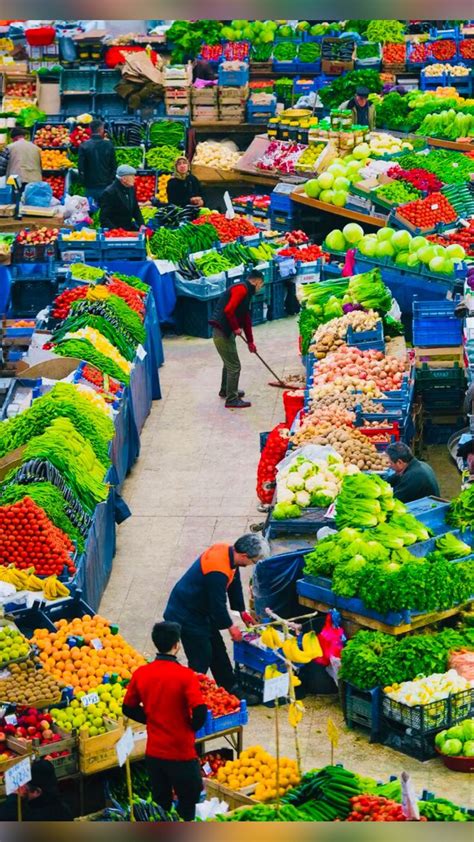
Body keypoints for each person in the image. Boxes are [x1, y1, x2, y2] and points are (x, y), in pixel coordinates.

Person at [164, 534, 270, 701]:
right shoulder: (217, 570)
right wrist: (231, 627)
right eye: (253, 561)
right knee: (201, 656)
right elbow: (217, 604)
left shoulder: (228, 553)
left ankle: (231, 688)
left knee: (218, 650)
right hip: (186, 613)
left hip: (202, 610)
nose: (251, 564)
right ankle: (189, 696)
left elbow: (233, 581)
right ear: (244, 556)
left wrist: (242, 611)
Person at [122, 621, 206, 822]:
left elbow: (127, 707)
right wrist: (190, 726)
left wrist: (149, 718)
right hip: (181, 752)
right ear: (177, 645)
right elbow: (200, 710)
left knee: (160, 804)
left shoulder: (142, 673)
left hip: (154, 753)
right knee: (188, 802)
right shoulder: (185, 676)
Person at [209, 270, 264, 409]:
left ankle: (226, 390)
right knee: (234, 366)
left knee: (229, 363)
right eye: (261, 284)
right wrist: (235, 328)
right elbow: (228, 310)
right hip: (222, 331)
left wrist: (250, 342)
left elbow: (245, 318)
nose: (261, 287)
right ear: (257, 281)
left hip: (226, 332)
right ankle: (232, 399)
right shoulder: (241, 289)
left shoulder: (247, 293)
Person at [0, 758, 72, 821]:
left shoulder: (37, 816)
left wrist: (14, 797)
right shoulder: (60, 805)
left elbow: (5, 816)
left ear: (36, 792)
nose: (19, 786)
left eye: (23, 786)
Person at [78, 119, 117, 203]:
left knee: (89, 212)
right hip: (106, 185)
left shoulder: (83, 146)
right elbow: (114, 166)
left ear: (90, 129)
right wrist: (110, 180)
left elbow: (81, 169)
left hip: (90, 187)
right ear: (101, 130)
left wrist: (84, 182)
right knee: (105, 212)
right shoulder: (109, 145)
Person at [99, 165, 144, 231]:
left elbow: (135, 209)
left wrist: (141, 224)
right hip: (115, 233)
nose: (135, 178)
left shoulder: (131, 188)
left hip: (128, 228)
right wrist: (117, 232)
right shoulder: (109, 192)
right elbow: (104, 218)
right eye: (132, 176)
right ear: (124, 179)